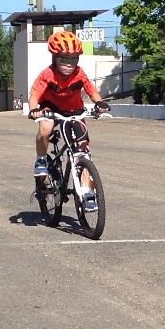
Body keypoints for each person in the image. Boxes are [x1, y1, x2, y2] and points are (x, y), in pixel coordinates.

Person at [28, 31, 110, 203]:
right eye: (63, 59)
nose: (68, 65)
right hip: (50, 108)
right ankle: (41, 159)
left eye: (73, 60)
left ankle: (87, 189)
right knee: (45, 128)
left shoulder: (79, 74)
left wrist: (99, 103)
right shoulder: (47, 75)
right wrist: (34, 109)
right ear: (55, 58)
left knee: (83, 149)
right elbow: (34, 95)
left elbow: (91, 90)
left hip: (74, 110)